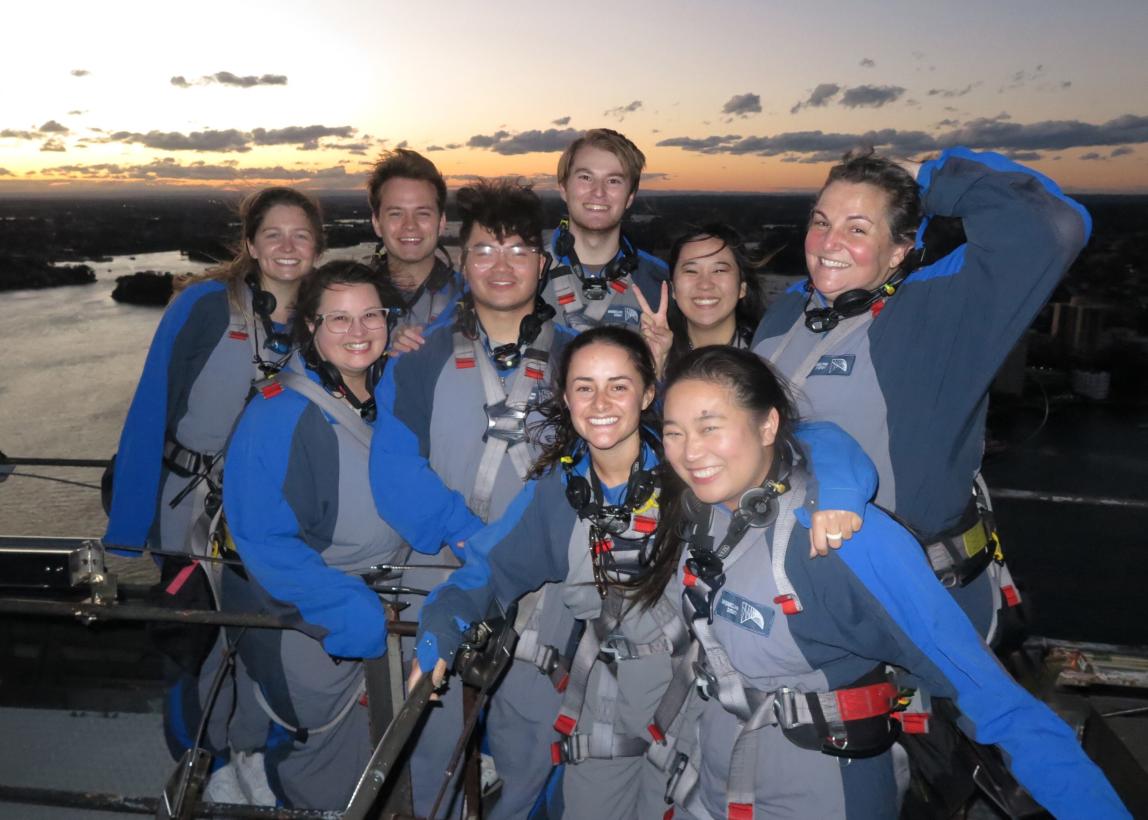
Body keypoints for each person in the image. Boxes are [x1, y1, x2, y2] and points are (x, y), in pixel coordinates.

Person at [411, 327, 882, 820]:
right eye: (584, 386)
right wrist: (443, 625)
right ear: (565, 397)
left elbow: (806, 436)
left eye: (618, 385)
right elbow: (489, 569)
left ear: (648, 393)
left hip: (700, 703)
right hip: (604, 704)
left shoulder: (696, 469)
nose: (599, 402)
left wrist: (844, 492)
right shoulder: (557, 494)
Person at [644, 345, 1128, 819]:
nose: (690, 452)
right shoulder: (705, 514)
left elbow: (988, 696)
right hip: (713, 780)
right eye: (674, 433)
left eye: (710, 427)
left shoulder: (845, 542)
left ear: (768, 424)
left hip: (821, 792)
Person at [753, 147, 1089, 637]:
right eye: (821, 221)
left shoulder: (940, 312)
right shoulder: (785, 313)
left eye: (858, 228)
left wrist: (926, 175)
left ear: (900, 251)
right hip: (803, 588)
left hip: (918, 602)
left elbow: (1055, 227)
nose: (830, 242)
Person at [102, 187, 324, 793]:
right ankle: (203, 762)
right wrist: (127, 529)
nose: (286, 246)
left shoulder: (323, 321)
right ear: (250, 244)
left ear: (316, 247)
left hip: (262, 516)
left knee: (258, 639)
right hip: (184, 509)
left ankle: (248, 755)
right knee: (195, 638)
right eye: (272, 234)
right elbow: (151, 407)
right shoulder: (204, 304)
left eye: (300, 235)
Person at [369, 178, 578, 818]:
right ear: (463, 265)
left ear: (543, 266)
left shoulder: (582, 360)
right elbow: (394, 468)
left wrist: (511, 556)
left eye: (519, 250)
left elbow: (593, 470)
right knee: (429, 744)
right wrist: (470, 539)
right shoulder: (419, 358)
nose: (502, 265)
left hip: (540, 593)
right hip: (441, 574)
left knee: (532, 745)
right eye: (485, 250)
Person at [221, 260, 407, 810]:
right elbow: (264, 540)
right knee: (325, 759)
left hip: (385, 592)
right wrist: (351, 610)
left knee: (372, 743)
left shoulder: (387, 391)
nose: (358, 331)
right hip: (310, 614)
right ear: (310, 327)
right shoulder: (276, 415)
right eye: (339, 318)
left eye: (371, 314)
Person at [542, 128, 667, 332]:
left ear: (630, 197)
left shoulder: (658, 280)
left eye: (613, 181)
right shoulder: (524, 271)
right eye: (585, 177)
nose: (598, 192)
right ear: (563, 188)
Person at [635, 223, 768, 380]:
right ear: (674, 288)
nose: (705, 284)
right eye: (691, 271)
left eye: (719, 270)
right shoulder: (651, 353)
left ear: (742, 288)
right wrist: (655, 364)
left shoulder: (768, 356)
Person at [366, 148, 463, 351]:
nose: (410, 225)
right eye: (396, 214)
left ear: (441, 221)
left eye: (423, 213)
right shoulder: (346, 303)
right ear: (376, 223)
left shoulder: (470, 301)